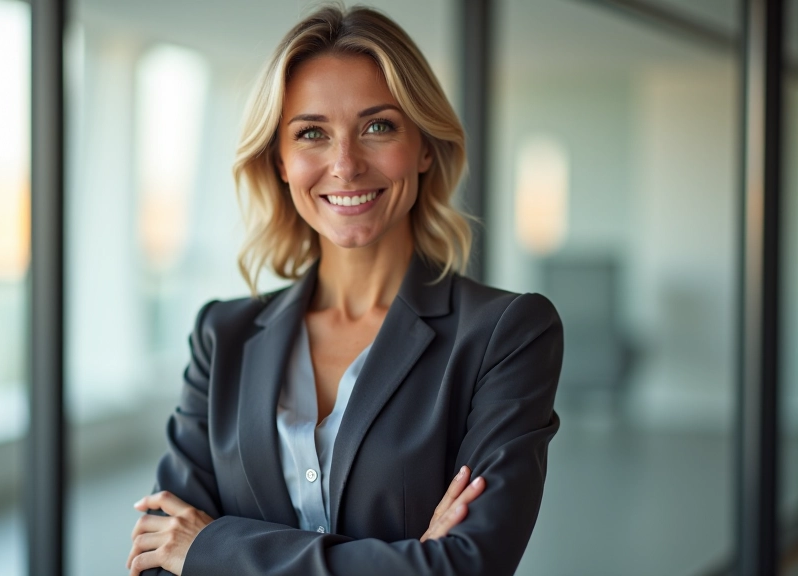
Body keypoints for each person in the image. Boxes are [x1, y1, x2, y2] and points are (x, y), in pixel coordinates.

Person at [126, 5, 562, 576]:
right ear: (280, 161)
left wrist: (211, 549)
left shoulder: (504, 335)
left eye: (378, 126)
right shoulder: (222, 336)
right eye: (312, 133)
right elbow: (158, 555)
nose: (346, 164)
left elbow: (466, 566)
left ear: (425, 146)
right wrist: (411, 560)